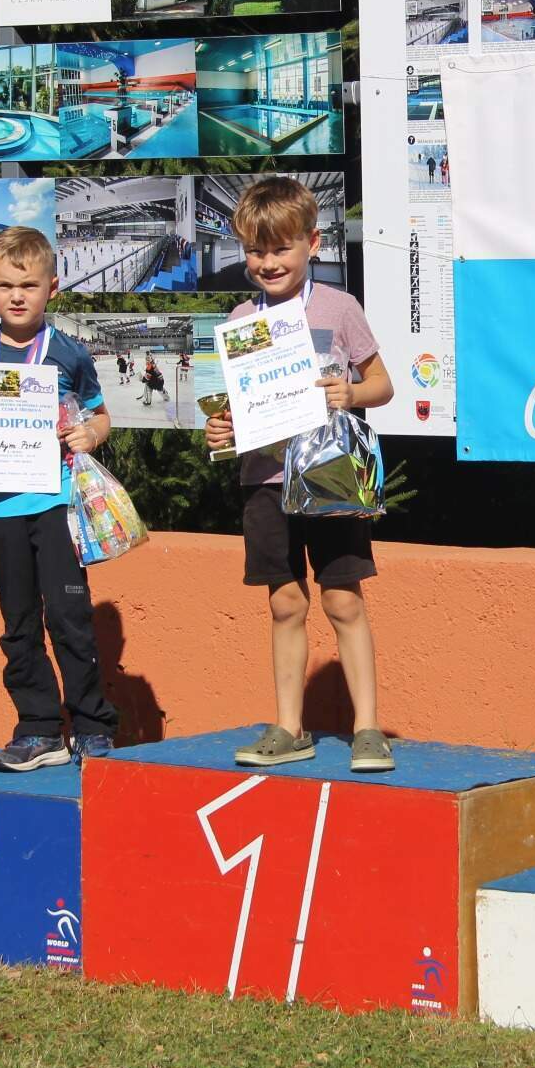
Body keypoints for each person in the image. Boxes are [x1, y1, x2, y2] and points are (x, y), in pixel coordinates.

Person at [203, 177, 398, 773]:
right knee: (285, 603)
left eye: (281, 249)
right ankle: (290, 726)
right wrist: (223, 430)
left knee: (343, 600)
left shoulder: (340, 307)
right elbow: (240, 408)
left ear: (312, 243)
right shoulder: (242, 318)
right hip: (264, 480)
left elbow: (383, 384)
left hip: (331, 476)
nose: (268, 263)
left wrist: (350, 393)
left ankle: (368, 729)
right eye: (256, 251)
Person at [0, 226, 121, 772]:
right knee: (18, 621)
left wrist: (91, 435)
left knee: (70, 616)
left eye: (28, 285)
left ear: (52, 288)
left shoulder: (68, 353)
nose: (17, 296)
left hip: (56, 503)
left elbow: (101, 417)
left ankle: (92, 725)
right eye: (5, 286)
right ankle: (38, 728)